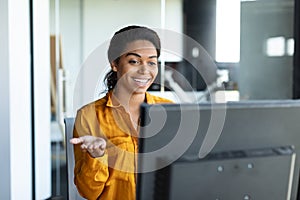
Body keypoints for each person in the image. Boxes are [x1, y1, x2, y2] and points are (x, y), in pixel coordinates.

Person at [70, 25, 173, 200]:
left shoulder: (170, 111)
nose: (144, 70)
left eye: (152, 62)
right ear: (115, 64)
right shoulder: (89, 116)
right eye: (134, 61)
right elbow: (89, 193)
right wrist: (97, 156)